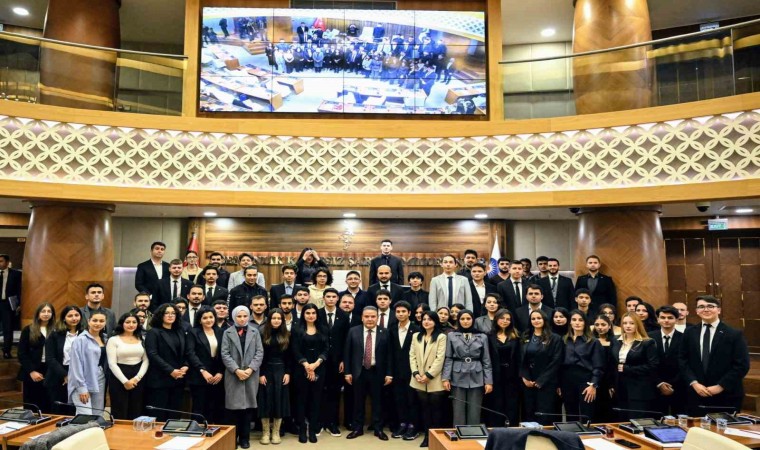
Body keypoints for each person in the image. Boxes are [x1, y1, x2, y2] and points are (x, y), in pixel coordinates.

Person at [678, 295, 749, 416]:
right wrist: (694, 383)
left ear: (719, 310)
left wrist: (720, 386)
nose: (706, 309)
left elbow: (742, 365)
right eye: (701, 307)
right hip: (696, 393)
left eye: (710, 306)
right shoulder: (689, 332)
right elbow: (682, 360)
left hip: (726, 395)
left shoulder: (734, 334)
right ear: (696, 311)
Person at [344, 306, 393, 441]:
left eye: (373, 316)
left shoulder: (385, 332)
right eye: (367, 316)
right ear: (362, 318)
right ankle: (357, 428)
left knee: (378, 402)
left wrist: (389, 373)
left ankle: (378, 429)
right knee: (358, 402)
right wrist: (347, 372)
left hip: (377, 372)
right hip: (358, 372)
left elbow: (390, 355)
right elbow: (347, 353)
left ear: (377, 317)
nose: (370, 319)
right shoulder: (353, 331)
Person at [221, 305, 264, 449]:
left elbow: (259, 352)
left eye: (245, 316)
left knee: (248, 408)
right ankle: (233, 437)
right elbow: (225, 354)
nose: (242, 319)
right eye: (239, 316)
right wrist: (236, 370)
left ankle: (245, 438)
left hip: (251, 375)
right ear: (234, 317)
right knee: (233, 409)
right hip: (233, 375)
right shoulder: (227, 332)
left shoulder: (255, 331)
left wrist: (251, 369)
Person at [442, 310, 493, 425]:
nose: (465, 321)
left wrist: (488, 381)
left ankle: (472, 433)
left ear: (473, 320)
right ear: (458, 320)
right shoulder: (452, 335)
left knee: (475, 409)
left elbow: (486, 360)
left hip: (476, 374)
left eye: (468, 319)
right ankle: (459, 432)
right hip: (457, 374)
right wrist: (445, 378)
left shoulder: (482, 336)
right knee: (458, 409)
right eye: (462, 319)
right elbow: (448, 358)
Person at [144, 304, 190, 421]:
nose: (170, 315)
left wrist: (185, 365)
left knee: (174, 415)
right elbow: (152, 354)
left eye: (173, 313)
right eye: (167, 313)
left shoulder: (180, 331)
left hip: (178, 379)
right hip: (160, 379)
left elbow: (186, 351)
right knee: (159, 415)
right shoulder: (153, 332)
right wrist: (170, 370)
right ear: (160, 315)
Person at [409, 311, 447, 448]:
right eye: (424, 319)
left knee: (436, 411)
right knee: (425, 410)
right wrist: (415, 373)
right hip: (418, 379)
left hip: (434, 379)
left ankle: (435, 438)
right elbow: (412, 356)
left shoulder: (441, 337)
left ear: (435, 321)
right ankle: (426, 436)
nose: (426, 321)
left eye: (430, 319)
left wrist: (428, 375)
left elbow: (440, 358)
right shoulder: (416, 336)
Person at [612, 312, 659, 420]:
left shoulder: (647, 342)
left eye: (631, 323)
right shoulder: (616, 340)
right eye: (625, 323)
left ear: (638, 324)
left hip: (639, 388)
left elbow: (653, 366)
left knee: (636, 419)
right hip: (620, 386)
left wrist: (628, 369)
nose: (628, 326)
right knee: (622, 419)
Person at [292, 303, 328, 443]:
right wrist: (306, 365)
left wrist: (316, 364)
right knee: (301, 400)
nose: (311, 315)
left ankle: (312, 429)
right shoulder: (296, 329)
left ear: (317, 315)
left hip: (319, 368)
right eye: (308, 313)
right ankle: (302, 429)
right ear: (303, 314)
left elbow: (326, 349)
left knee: (315, 400)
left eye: (313, 313)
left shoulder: (323, 329)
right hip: (301, 369)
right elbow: (295, 350)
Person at [519, 309, 562, 424]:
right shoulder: (525, 336)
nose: (536, 320)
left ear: (544, 320)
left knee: (544, 413)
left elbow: (556, 361)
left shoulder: (555, 338)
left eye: (539, 318)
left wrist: (541, 380)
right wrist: (525, 377)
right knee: (529, 412)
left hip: (546, 382)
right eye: (533, 318)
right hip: (528, 381)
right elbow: (521, 359)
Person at [560, 310, 604, 421]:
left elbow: (598, 366)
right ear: (570, 322)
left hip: (585, 380)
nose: (577, 322)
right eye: (574, 320)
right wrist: (559, 384)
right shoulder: (564, 340)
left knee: (587, 414)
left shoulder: (593, 342)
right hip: (567, 379)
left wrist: (593, 385)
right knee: (570, 414)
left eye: (580, 320)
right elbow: (559, 363)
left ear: (585, 322)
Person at [257, 308, 292, 445]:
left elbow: (289, 356)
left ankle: (276, 432)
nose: (276, 321)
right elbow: (259, 355)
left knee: (279, 400)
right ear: (269, 319)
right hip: (265, 370)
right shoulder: (262, 333)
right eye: (273, 318)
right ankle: (266, 432)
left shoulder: (287, 334)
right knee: (265, 400)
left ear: (282, 320)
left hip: (281, 370)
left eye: (279, 318)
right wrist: (260, 373)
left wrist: (288, 372)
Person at [318, 289, 349, 437]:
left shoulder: (344, 315)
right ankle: (319, 423)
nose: (331, 299)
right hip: (319, 360)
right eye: (328, 296)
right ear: (323, 298)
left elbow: (346, 339)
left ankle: (332, 423)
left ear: (338, 299)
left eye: (333, 297)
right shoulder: (317, 313)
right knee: (319, 391)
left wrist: (343, 359)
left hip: (337, 361)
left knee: (334, 392)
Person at [186, 306, 225, 425]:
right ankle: (197, 429)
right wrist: (202, 370)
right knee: (199, 406)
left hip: (216, 374)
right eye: (205, 318)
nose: (209, 320)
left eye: (211, 317)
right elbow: (190, 353)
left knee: (213, 405)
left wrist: (220, 372)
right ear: (200, 320)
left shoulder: (220, 331)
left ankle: (211, 430)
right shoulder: (193, 332)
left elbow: (224, 353)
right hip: (198, 374)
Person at [106, 311, 148, 419]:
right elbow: (112, 363)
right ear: (122, 323)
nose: (131, 324)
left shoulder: (142, 339)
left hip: (138, 376)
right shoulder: (113, 340)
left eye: (134, 322)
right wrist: (125, 381)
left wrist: (137, 378)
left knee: (136, 409)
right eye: (128, 322)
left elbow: (146, 361)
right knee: (120, 409)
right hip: (119, 376)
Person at [388, 301, 420, 440]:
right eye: (398, 312)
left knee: (412, 400)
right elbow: (389, 352)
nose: (400, 314)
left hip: (412, 371)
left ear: (409, 313)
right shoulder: (392, 329)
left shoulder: (416, 329)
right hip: (396, 371)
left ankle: (413, 426)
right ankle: (402, 424)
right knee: (399, 399)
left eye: (403, 311)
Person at [45, 305, 83, 415]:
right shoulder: (55, 334)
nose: (74, 318)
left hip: (78, 373)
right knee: (58, 409)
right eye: (70, 316)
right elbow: (50, 358)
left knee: (74, 409)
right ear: (64, 318)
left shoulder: (84, 334)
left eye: (76, 315)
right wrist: (65, 375)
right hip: (58, 374)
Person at [68, 310, 108, 415]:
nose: (98, 323)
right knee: (84, 415)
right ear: (89, 321)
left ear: (105, 323)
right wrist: (81, 388)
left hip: (100, 379)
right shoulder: (80, 340)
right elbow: (75, 366)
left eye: (101, 321)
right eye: (95, 320)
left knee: (97, 415)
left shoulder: (105, 338)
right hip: (82, 380)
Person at [18, 302, 55, 413]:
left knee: (48, 403)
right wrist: (31, 371)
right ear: (38, 313)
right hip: (32, 370)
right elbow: (21, 353)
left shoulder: (56, 330)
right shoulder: (28, 330)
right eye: (43, 311)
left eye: (49, 311)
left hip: (50, 370)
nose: (46, 314)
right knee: (32, 404)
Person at [487, 309, 521, 427]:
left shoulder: (516, 336)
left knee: (512, 405)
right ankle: (496, 430)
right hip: (495, 375)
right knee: (496, 404)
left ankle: (511, 429)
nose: (505, 321)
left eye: (508, 319)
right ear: (496, 319)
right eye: (502, 318)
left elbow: (519, 357)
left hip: (512, 376)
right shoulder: (488, 336)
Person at [650, 305, 686, 416]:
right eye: (663, 317)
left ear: (676, 319)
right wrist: (659, 383)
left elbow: (686, 363)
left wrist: (672, 384)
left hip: (678, 386)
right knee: (656, 419)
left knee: (679, 418)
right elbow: (647, 363)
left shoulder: (685, 338)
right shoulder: (649, 338)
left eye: (670, 318)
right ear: (658, 319)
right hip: (655, 385)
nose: (666, 320)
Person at [592, 314, 616, 423]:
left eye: (603, 324)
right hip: (594, 379)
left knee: (608, 411)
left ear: (609, 326)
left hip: (609, 381)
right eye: (597, 325)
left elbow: (614, 365)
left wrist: (612, 384)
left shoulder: (615, 341)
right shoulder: (590, 341)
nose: (600, 327)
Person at [0, 254, 22, 359]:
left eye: (1, 261)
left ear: (7, 262)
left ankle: (6, 351)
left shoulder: (16, 274)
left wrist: (20, 304)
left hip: (7, 305)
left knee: (8, 328)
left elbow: (20, 290)